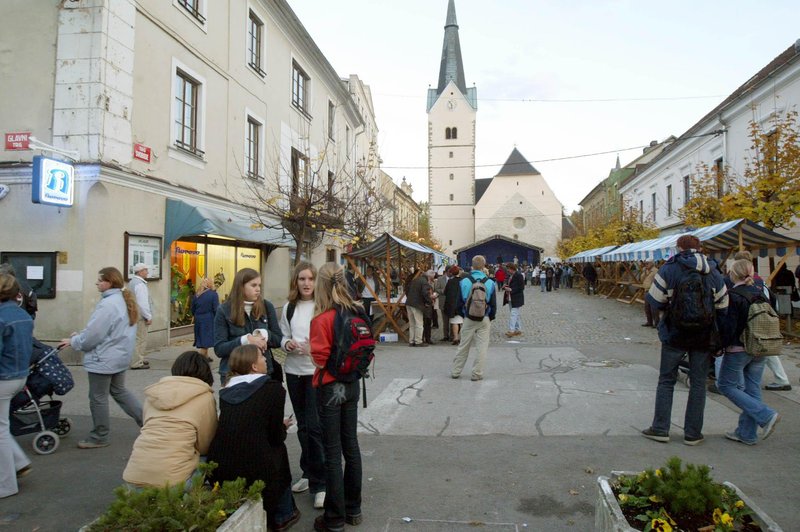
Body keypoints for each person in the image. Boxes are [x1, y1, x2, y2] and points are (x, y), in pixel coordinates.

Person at [641, 235, 728, 446]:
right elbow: (724, 305)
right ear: (700, 248)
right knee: (698, 383)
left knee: (666, 380)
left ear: (678, 248)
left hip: (675, 333)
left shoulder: (669, 269)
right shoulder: (713, 271)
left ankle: (661, 428)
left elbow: (653, 299)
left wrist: (670, 312)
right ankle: (693, 433)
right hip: (703, 335)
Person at [208, 345, 299, 531]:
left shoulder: (225, 391)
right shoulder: (273, 390)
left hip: (221, 463)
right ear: (254, 367)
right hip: (258, 466)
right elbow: (275, 436)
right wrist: (282, 427)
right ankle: (283, 514)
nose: (266, 359)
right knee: (279, 453)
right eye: (261, 356)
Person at [59, 267, 143, 449]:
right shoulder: (123, 300)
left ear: (109, 282)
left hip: (103, 358)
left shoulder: (108, 304)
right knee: (120, 391)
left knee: (98, 397)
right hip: (119, 356)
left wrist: (75, 341)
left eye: (100, 280)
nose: (97, 283)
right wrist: (80, 337)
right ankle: (148, 422)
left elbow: (93, 336)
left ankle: (100, 435)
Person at [310, 263, 365, 532]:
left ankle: (334, 518)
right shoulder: (358, 311)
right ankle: (354, 509)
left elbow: (320, 359)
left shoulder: (321, 319)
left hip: (330, 388)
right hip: (353, 385)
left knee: (332, 454)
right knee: (351, 447)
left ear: (321, 285)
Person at [123, 351, 217, 488]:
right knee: (208, 457)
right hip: (173, 485)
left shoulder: (154, 394)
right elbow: (205, 444)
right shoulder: (205, 397)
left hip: (133, 480)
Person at [717, 259, 781, 446]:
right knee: (752, 388)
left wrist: (719, 346)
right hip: (761, 346)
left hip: (739, 347)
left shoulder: (734, 295)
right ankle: (746, 433)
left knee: (726, 385)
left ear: (732, 273)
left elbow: (730, 326)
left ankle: (766, 415)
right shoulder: (762, 293)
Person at [279, 262, 326, 510]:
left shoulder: (322, 306)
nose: (306, 283)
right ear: (295, 282)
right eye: (301, 279)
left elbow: (329, 338)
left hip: (314, 371)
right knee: (303, 426)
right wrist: (287, 344)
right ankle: (308, 473)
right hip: (293, 371)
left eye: (310, 279)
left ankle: (321, 483)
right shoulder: (289, 307)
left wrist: (312, 349)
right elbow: (283, 334)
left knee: (315, 426)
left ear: (317, 281)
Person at [213, 268, 282, 385]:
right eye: (253, 285)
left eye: (259, 285)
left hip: (262, 374)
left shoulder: (267, 306)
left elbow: (278, 340)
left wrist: (265, 334)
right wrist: (245, 340)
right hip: (233, 374)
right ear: (241, 286)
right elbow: (219, 349)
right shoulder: (224, 310)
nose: (258, 289)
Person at [0, 273, 34, 498]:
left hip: (3, 377)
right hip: (19, 375)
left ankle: (6, 484)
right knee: (1, 426)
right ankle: (19, 462)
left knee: (0, 430)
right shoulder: (22, 315)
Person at [451, 255, 497, 381]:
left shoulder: (464, 281)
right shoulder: (490, 282)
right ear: (484, 265)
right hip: (484, 317)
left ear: (472, 265)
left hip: (468, 317)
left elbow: (458, 303)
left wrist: (465, 314)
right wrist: (488, 317)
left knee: (463, 345)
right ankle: (477, 373)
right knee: (482, 347)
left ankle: (456, 371)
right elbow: (493, 304)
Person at [128, 263, 153, 370]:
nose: (147, 272)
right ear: (140, 272)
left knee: (137, 338)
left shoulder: (133, 282)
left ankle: (139, 358)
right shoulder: (140, 284)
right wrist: (148, 316)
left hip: (134, 314)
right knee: (141, 338)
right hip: (140, 316)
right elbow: (142, 303)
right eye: (145, 270)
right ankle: (136, 362)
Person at [191, 277, 219, 360]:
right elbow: (216, 309)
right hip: (208, 319)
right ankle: (200, 360)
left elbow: (192, 308)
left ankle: (206, 356)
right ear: (210, 284)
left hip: (198, 319)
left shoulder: (197, 294)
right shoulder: (213, 294)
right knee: (206, 340)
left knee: (203, 339)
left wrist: (196, 316)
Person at [405, 270, 434, 347]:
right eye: (431, 278)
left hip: (409, 303)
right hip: (417, 304)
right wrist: (429, 302)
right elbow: (425, 293)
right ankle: (418, 341)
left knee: (412, 324)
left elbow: (407, 290)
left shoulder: (415, 280)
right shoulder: (424, 282)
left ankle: (411, 341)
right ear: (428, 277)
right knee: (419, 323)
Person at [443, 266, 464, 345]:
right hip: (461, 304)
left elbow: (445, 292)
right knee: (463, 322)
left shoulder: (450, 282)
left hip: (452, 305)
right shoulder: (463, 281)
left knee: (455, 322)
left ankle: (455, 338)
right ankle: (463, 337)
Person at [504, 263, 525, 337]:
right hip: (510, 297)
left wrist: (511, 289)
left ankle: (511, 330)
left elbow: (522, 287)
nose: (507, 270)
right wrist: (506, 287)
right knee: (516, 314)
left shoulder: (519, 275)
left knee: (513, 314)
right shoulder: (510, 276)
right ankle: (518, 329)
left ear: (512, 268)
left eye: (508, 268)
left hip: (517, 298)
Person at [434, 270, 450, 342]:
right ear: (447, 272)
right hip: (443, 301)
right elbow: (436, 289)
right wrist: (444, 291)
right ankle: (445, 335)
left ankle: (453, 335)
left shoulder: (453, 279)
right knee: (445, 320)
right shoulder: (440, 279)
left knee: (453, 320)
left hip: (451, 302)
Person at [641, 261, 659, 327]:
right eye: (645, 263)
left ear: (652, 263)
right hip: (646, 290)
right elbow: (641, 279)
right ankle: (649, 322)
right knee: (647, 307)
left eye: (647, 263)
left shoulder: (656, 271)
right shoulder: (646, 271)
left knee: (653, 308)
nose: (646, 265)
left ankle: (656, 323)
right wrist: (644, 273)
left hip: (653, 291)